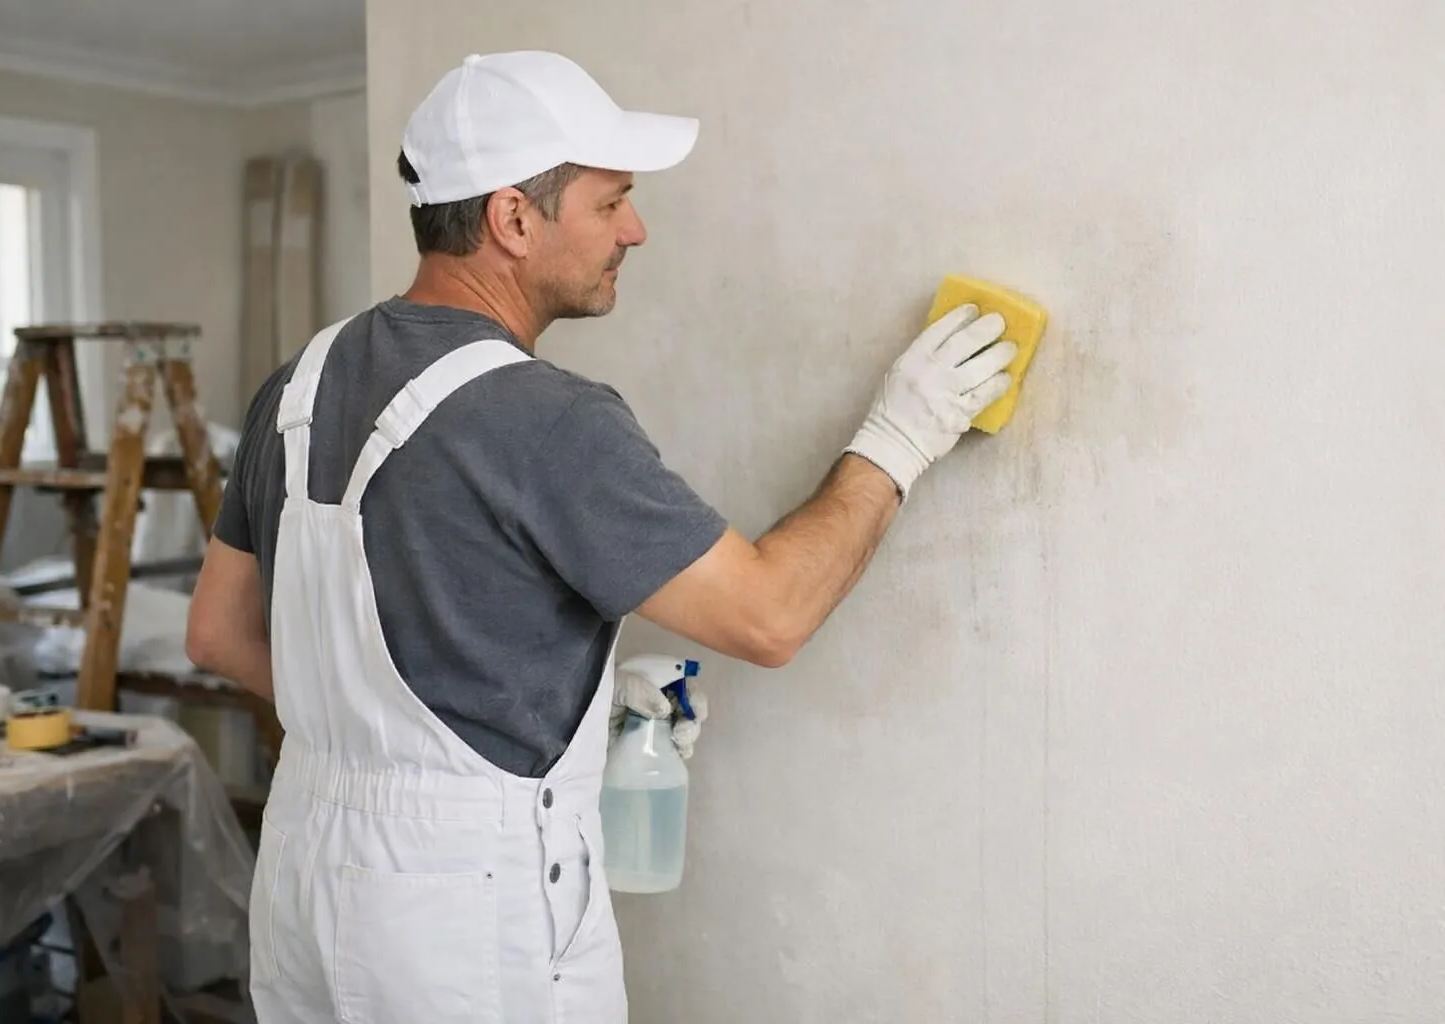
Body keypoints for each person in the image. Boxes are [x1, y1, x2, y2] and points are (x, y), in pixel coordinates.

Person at [184, 49, 1015, 1024]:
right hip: (463, 913)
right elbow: (770, 615)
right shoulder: (547, 418)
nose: (636, 228)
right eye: (610, 201)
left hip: (306, 882)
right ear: (513, 217)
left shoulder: (300, 383)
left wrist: (526, 706)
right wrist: (898, 438)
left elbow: (220, 632)